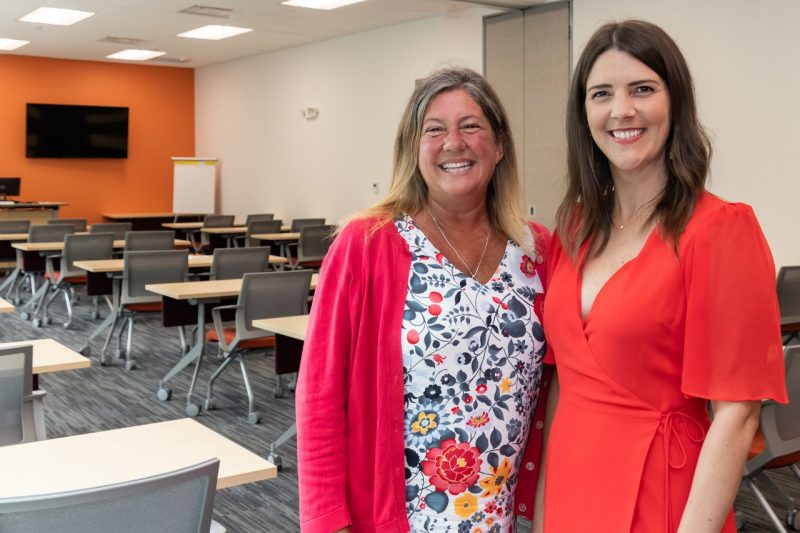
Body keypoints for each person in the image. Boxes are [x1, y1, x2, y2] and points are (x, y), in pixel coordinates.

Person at [533, 19, 788, 533]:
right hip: (571, 488)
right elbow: (563, 384)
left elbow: (736, 416)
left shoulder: (719, 228)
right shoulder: (575, 227)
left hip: (664, 496)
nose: (621, 110)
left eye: (642, 89)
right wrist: (542, 514)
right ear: (584, 114)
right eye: (601, 93)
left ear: (676, 103)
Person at [296, 67, 551, 532]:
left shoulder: (538, 252)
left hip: (502, 517)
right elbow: (319, 393)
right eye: (434, 129)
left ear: (500, 146)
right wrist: (328, 523)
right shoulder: (367, 243)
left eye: (471, 125)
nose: (454, 142)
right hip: (396, 518)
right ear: (413, 151)